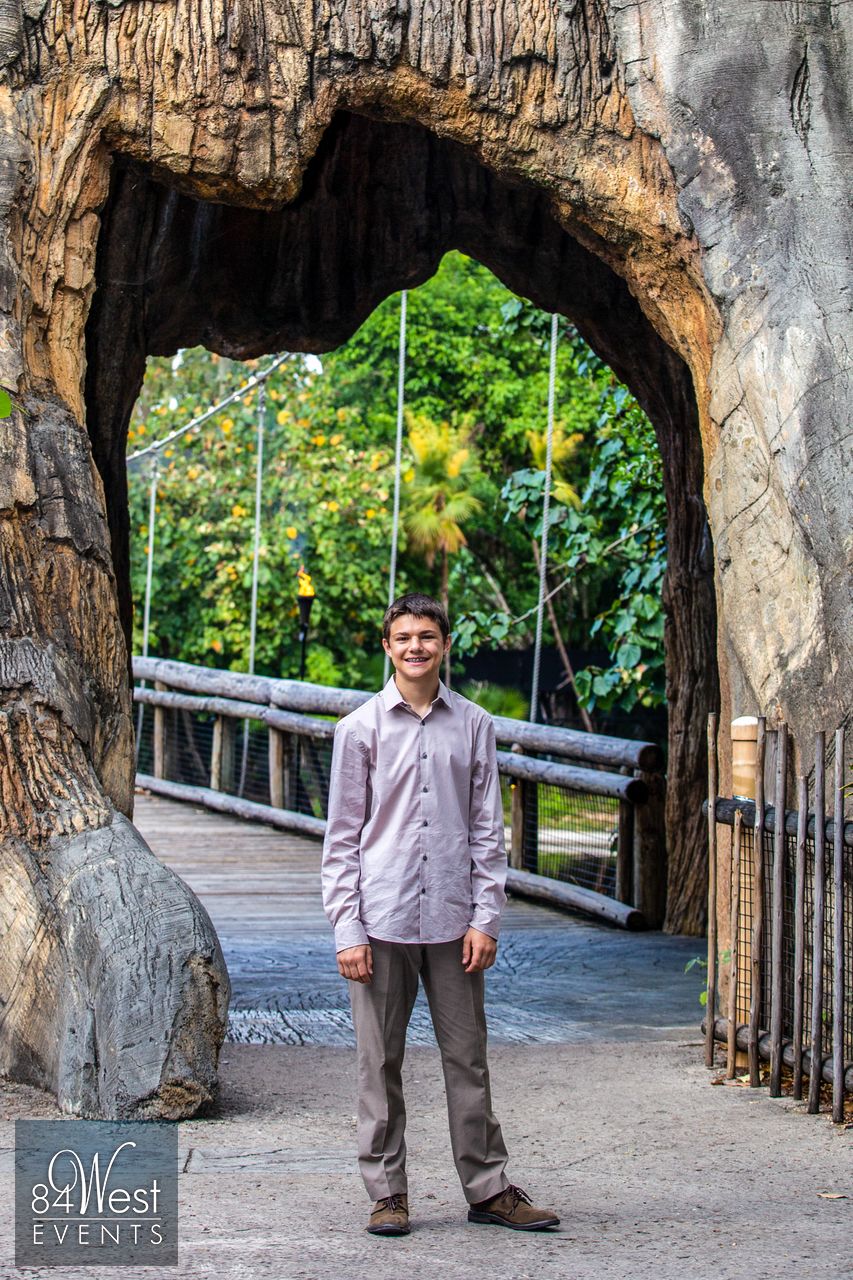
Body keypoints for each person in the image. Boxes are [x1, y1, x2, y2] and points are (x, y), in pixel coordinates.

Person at [321, 591, 559, 1236]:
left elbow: (489, 831)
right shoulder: (359, 730)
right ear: (387, 646)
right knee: (379, 1064)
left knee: (468, 1059)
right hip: (381, 919)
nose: (416, 647)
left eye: (427, 636)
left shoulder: (475, 725)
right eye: (404, 637)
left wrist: (487, 918)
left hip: (455, 922)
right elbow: (342, 839)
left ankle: (488, 1189)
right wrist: (348, 929)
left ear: (444, 644)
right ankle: (387, 1194)